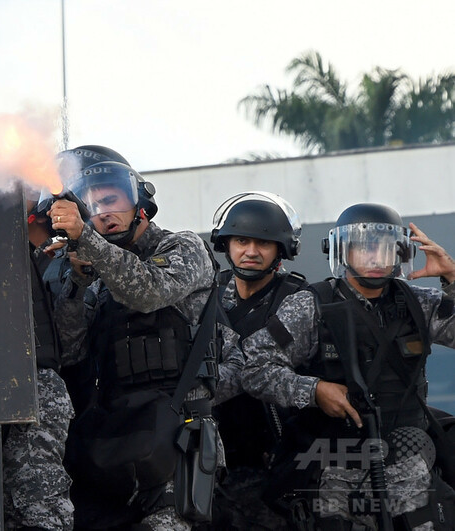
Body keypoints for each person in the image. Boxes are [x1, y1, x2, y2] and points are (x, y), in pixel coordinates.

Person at [241, 202, 455, 529]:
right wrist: (315, 391)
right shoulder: (312, 306)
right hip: (334, 466)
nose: (373, 257)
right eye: (362, 248)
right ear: (343, 252)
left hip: (407, 462)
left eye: (382, 248)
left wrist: (452, 276)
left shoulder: (420, 304)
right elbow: (253, 368)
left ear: (398, 253)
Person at [48, 160, 217, 530]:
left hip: (177, 434)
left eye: (112, 200)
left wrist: (88, 242)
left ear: (140, 201)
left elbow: (149, 291)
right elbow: (70, 350)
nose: (105, 214)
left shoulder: (183, 246)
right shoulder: (97, 269)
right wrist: (76, 283)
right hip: (115, 438)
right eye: (93, 207)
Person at [208, 192, 305, 530]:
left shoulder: (299, 302)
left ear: (282, 249)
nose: (251, 251)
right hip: (210, 459)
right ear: (226, 244)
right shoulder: (206, 296)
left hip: (273, 463)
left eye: (263, 242)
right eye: (241, 240)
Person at [1, 196, 76, 531]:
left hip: (37, 387)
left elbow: (72, 343)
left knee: (39, 505)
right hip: (2, 384)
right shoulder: (7, 248)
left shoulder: (69, 256)